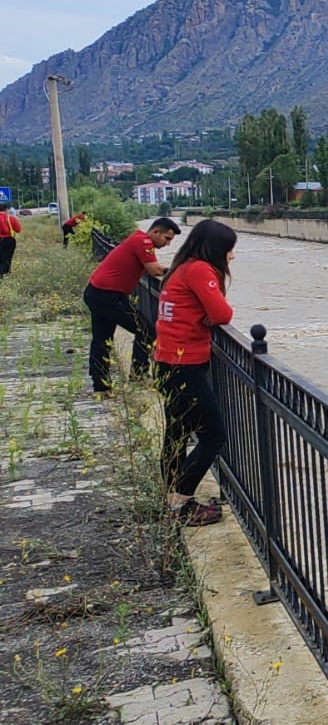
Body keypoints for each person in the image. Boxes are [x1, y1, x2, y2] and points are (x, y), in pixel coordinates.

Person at [154, 219, 236, 528]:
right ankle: (182, 502)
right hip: (184, 363)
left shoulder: (182, 267)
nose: (231, 256)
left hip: (168, 360)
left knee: (176, 432)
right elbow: (222, 314)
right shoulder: (201, 270)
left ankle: (171, 498)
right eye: (229, 250)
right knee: (214, 437)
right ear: (216, 249)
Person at [83, 217, 180, 393]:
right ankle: (138, 374)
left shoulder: (137, 239)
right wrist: (179, 270)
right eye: (167, 239)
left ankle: (101, 384)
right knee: (146, 331)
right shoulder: (142, 241)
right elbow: (154, 269)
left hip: (98, 292)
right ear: (156, 232)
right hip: (107, 296)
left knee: (102, 339)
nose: (167, 244)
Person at [0, 202, 20, 279]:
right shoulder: (11, 218)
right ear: (6, 209)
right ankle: (6, 273)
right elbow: (18, 230)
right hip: (9, 241)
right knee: (8, 258)